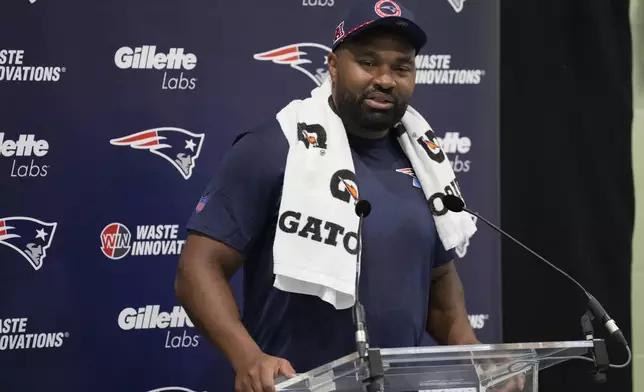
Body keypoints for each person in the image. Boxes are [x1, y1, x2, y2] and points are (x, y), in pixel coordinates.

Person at [175, 1, 523, 391]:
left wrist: (469, 350)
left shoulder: (425, 161)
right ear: (334, 66)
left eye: (401, 67)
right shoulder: (275, 146)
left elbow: (439, 280)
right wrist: (248, 358)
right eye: (368, 63)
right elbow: (197, 268)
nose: (385, 79)